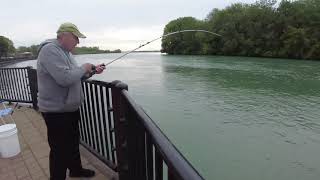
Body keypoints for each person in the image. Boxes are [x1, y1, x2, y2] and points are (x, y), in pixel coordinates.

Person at [37, 22, 105, 180]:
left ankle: (76, 170)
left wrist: (92, 71)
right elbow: (65, 79)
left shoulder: (66, 53)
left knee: (73, 143)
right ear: (65, 36)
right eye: (76, 38)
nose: (78, 42)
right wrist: (85, 66)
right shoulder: (49, 50)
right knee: (59, 150)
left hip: (69, 108)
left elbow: (75, 76)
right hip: (56, 111)